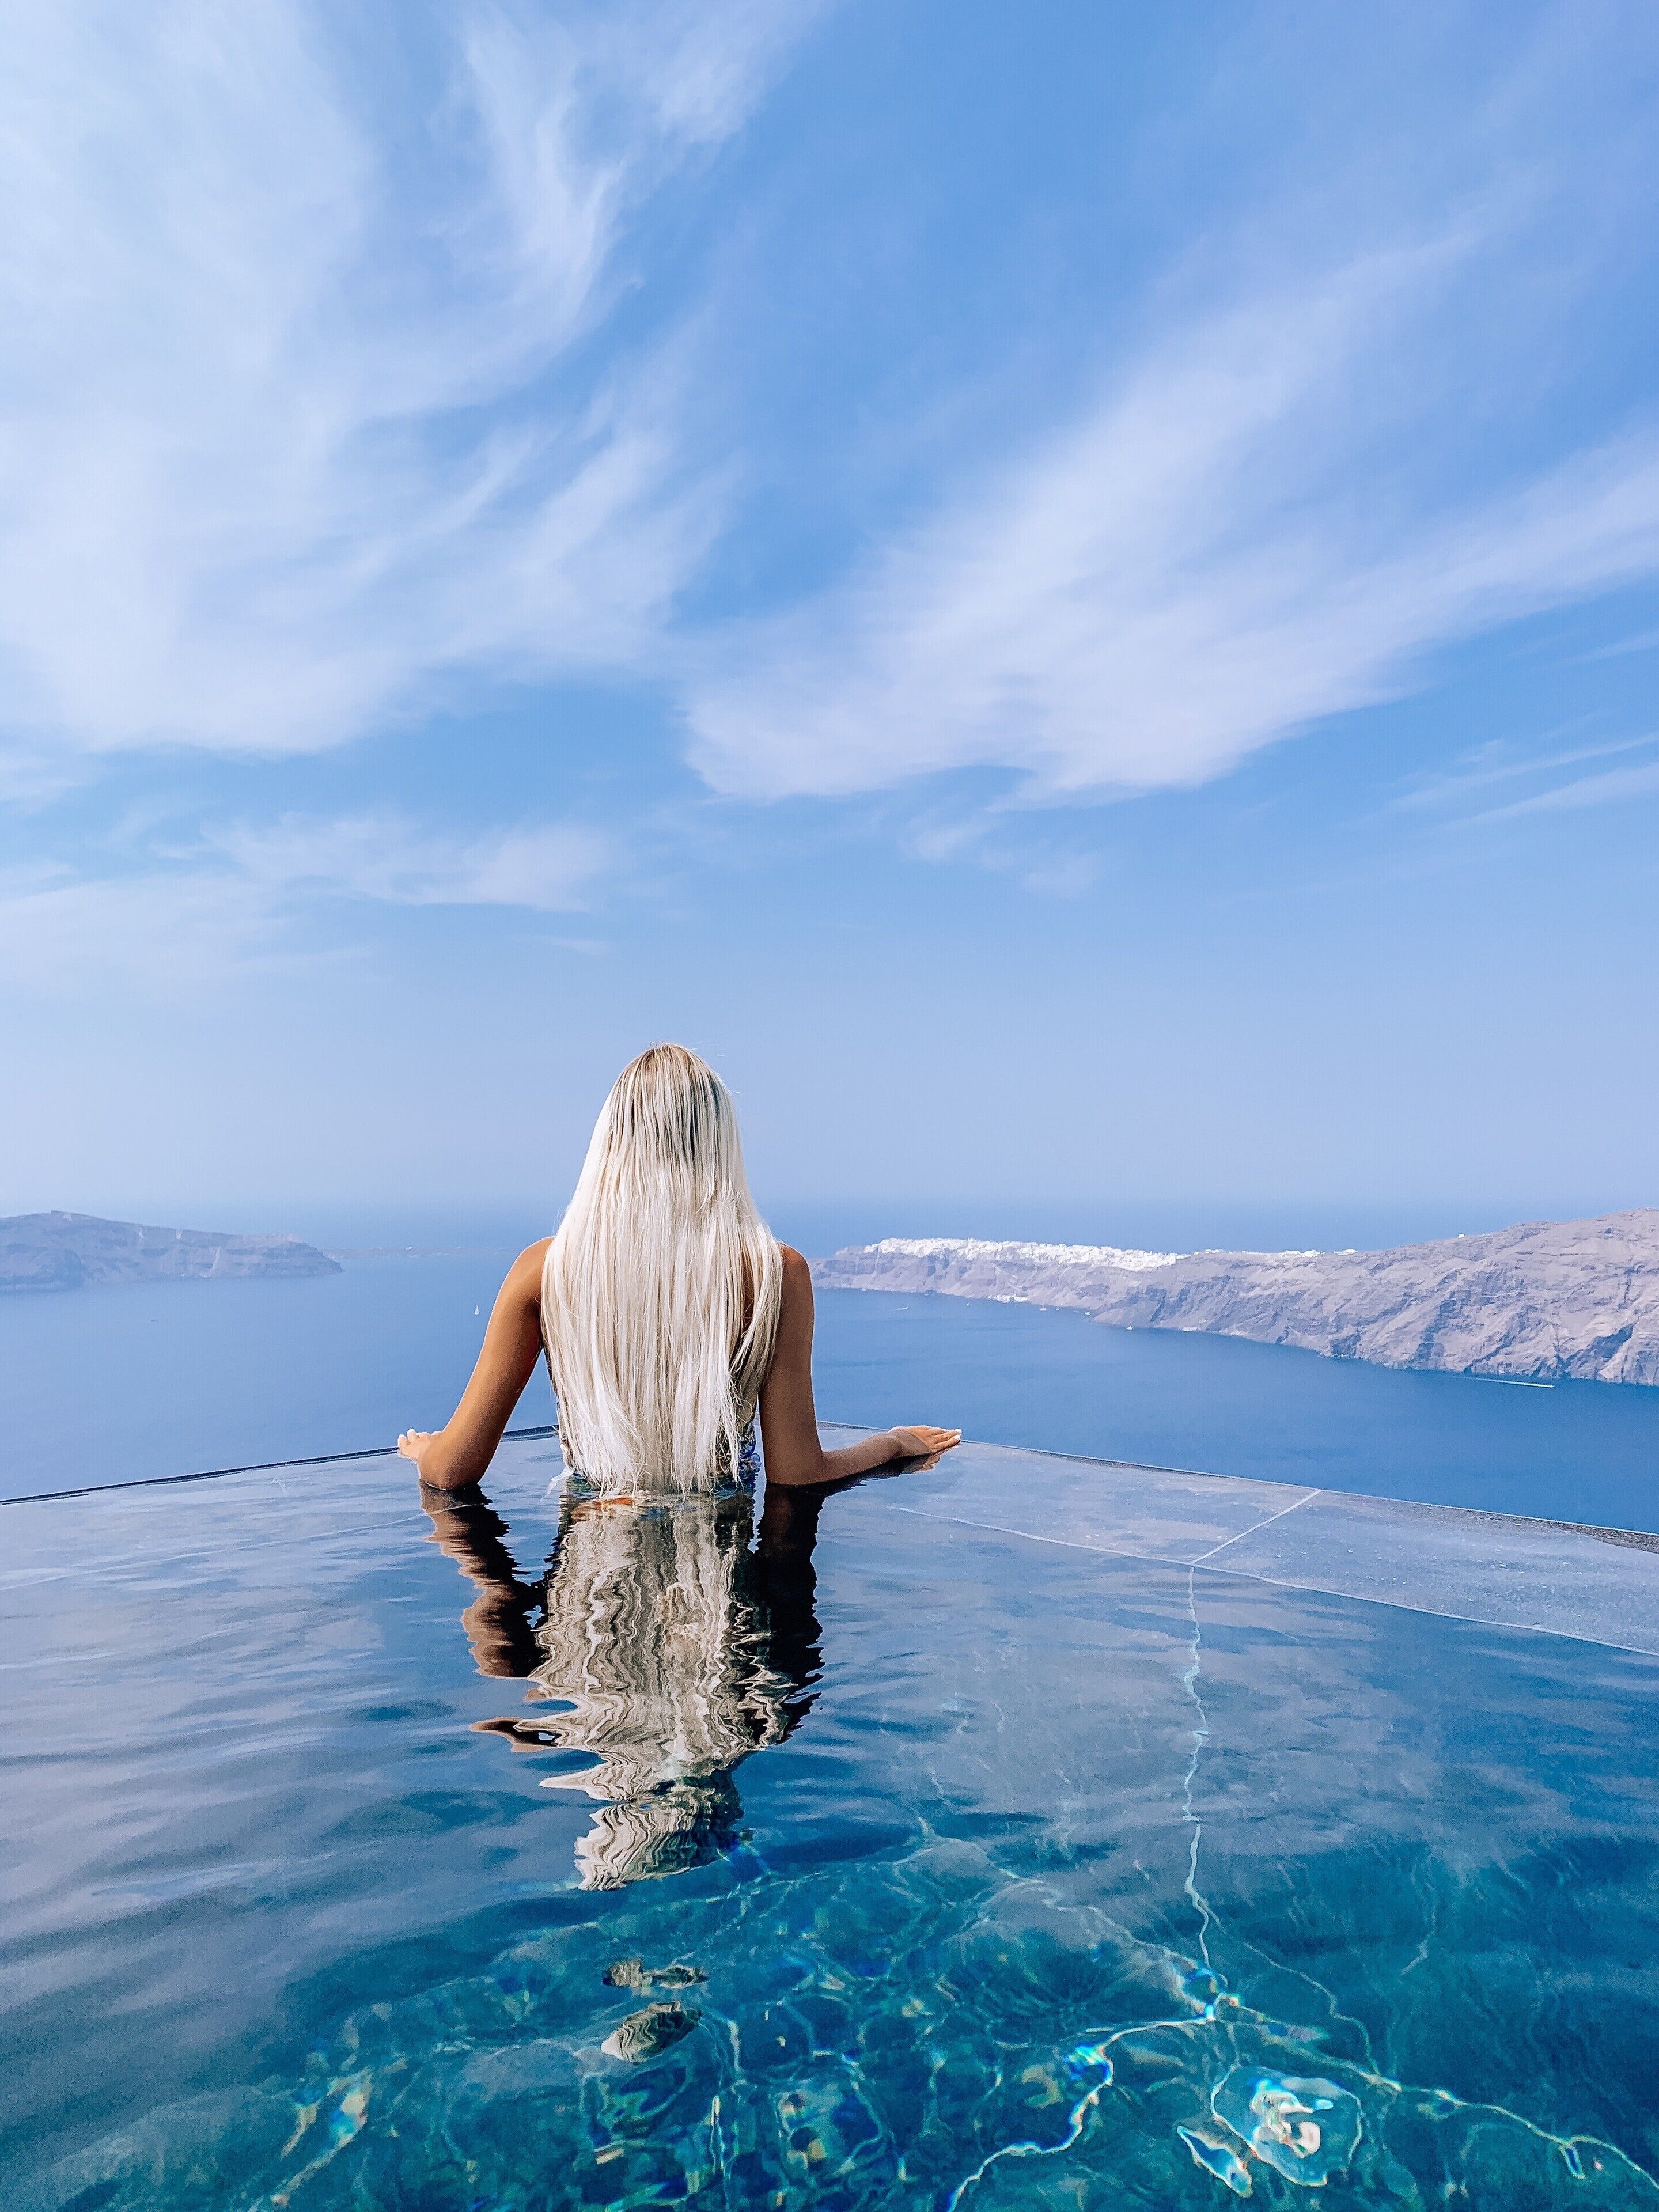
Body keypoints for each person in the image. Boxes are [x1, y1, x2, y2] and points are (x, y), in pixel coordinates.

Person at [397, 1041, 960, 1497]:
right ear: (718, 1144)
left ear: (611, 1141)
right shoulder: (776, 1273)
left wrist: (430, 1451)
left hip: (588, 1592)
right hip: (724, 1597)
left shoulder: (546, 1269)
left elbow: (451, 1472)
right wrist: (892, 1444)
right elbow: (798, 1471)